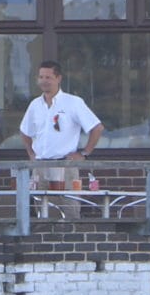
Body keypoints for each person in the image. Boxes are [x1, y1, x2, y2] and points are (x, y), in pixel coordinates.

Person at [17, 61, 103, 202]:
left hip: (65, 166)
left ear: (58, 78)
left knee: (69, 210)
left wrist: (84, 154)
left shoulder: (73, 102)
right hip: (40, 166)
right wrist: (31, 154)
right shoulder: (35, 105)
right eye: (41, 77)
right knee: (41, 213)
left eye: (48, 77)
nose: (43, 81)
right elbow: (24, 131)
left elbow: (97, 128)